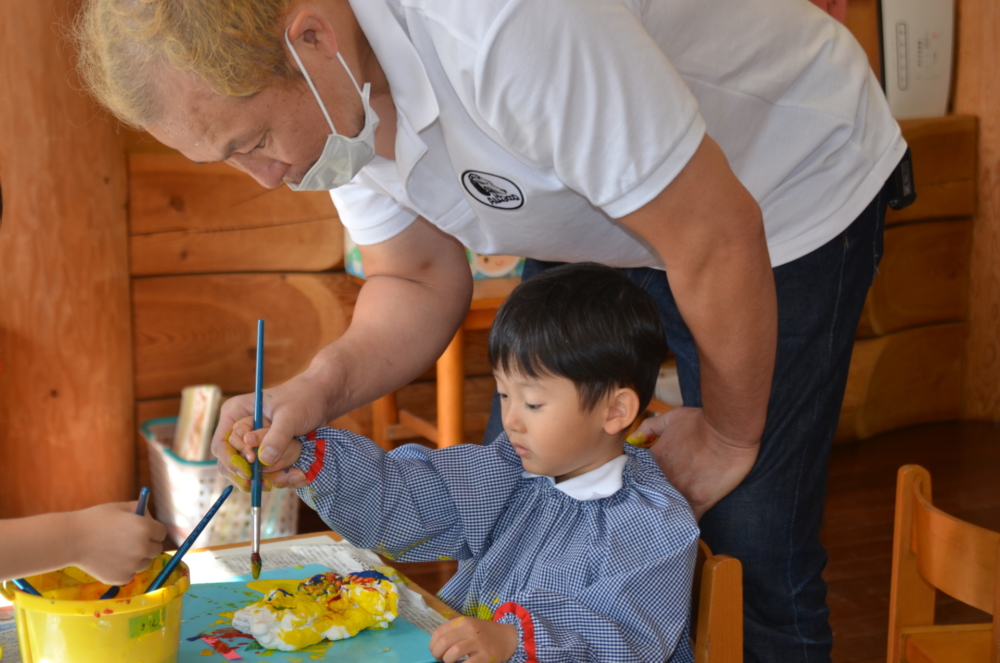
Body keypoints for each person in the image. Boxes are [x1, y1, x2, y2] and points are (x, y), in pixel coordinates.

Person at [72, 0, 905, 659]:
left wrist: (727, 432)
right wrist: (316, 389)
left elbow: (715, 233)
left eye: (252, 140)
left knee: (752, 540)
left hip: (779, 185)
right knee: (524, 481)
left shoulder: (503, 25)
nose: (264, 175)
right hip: (597, 214)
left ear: (312, 38)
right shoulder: (335, 95)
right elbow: (416, 277)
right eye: (227, 157)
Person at [228, 264, 698, 663]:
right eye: (503, 394)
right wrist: (307, 459)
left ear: (615, 411)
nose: (509, 420)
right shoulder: (506, 472)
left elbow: (625, 637)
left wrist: (515, 640)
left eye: (532, 404)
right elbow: (405, 499)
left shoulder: (653, 525)